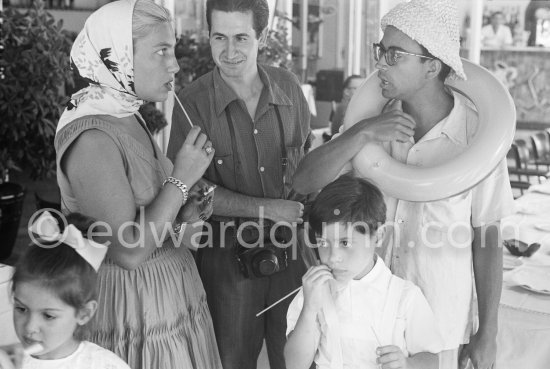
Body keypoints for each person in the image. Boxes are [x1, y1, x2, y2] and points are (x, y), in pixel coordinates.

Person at [292, 1, 514, 369]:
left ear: (432, 65)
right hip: (364, 322)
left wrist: (487, 331)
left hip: (438, 326)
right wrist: (361, 133)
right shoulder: (370, 123)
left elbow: (487, 238)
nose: (380, 63)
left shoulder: (479, 138)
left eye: (394, 54)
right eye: (380, 51)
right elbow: (303, 181)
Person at [54, 1, 222, 368]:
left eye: (173, 50)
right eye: (161, 51)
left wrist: (184, 209)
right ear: (121, 56)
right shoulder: (92, 137)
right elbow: (128, 251)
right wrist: (181, 179)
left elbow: (153, 222)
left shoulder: (127, 113)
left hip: (170, 303)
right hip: (133, 312)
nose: (174, 64)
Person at [166, 1, 311, 368]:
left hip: (293, 254)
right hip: (225, 260)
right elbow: (192, 190)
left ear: (261, 36)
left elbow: (307, 169)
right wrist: (268, 209)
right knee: (230, 362)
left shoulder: (290, 89)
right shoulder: (190, 104)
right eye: (219, 37)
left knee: (299, 357)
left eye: (241, 38)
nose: (229, 52)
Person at [284, 174, 443, 369]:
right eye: (323, 243)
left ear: (378, 236)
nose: (332, 257)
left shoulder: (405, 296)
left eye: (345, 243)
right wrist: (309, 309)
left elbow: (432, 360)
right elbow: (294, 364)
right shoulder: (314, 292)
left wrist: (408, 364)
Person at [11, 211, 130, 369]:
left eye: (48, 315)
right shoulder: (9, 362)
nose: (29, 327)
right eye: (21, 308)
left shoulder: (104, 365)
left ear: (84, 313)